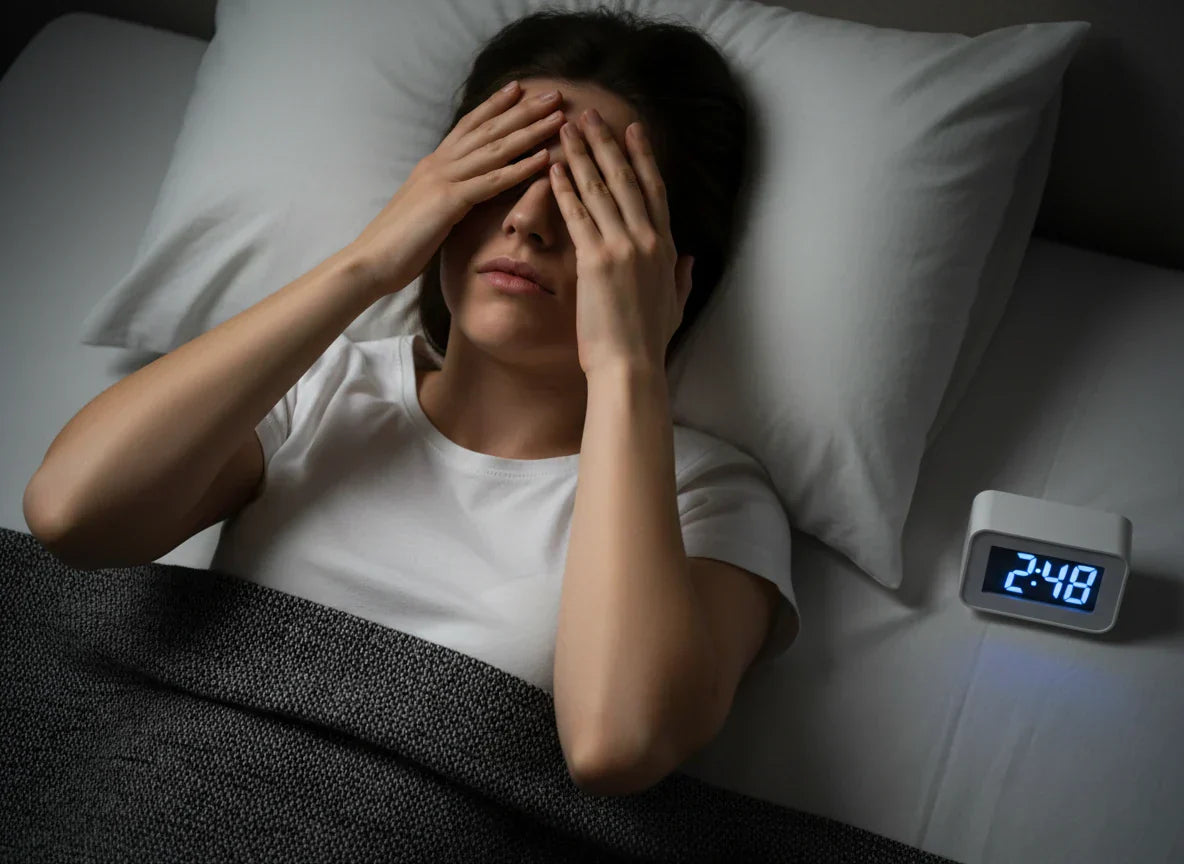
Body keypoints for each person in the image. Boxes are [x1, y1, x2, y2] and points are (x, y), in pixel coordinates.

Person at [23, 7, 798, 796]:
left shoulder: (709, 495)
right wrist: (369, 260)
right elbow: (71, 515)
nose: (528, 220)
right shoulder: (320, 388)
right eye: (501, 173)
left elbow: (619, 744)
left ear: (669, 264)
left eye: (585, 196)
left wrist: (629, 364)